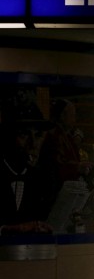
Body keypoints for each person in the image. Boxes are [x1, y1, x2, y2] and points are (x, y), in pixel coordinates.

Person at [0, 87, 55, 236]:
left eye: (38, 135)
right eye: (24, 135)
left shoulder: (39, 179)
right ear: (7, 138)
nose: (33, 144)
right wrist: (7, 230)